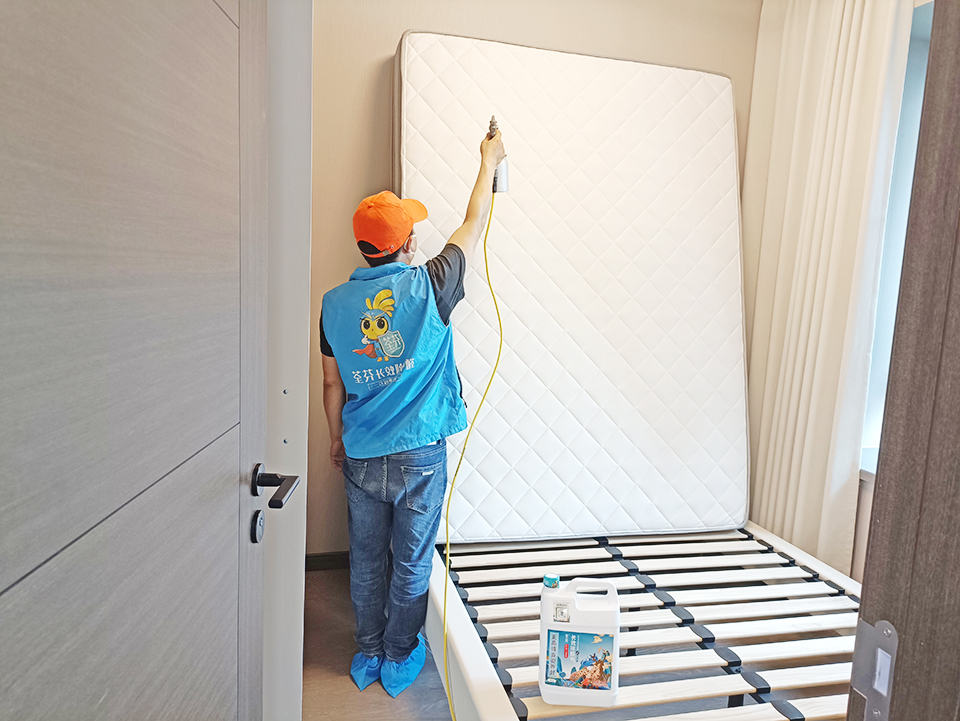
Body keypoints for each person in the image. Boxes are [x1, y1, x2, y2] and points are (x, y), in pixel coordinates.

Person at [320, 128, 506, 697]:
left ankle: (369, 651)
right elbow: (473, 223)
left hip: (360, 453)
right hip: (420, 454)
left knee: (366, 559)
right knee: (411, 560)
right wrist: (488, 160)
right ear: (408, 244)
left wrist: (336, 440)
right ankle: (400, 655)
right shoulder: (432, 284)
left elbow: (331, 382)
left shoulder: (332, 304)